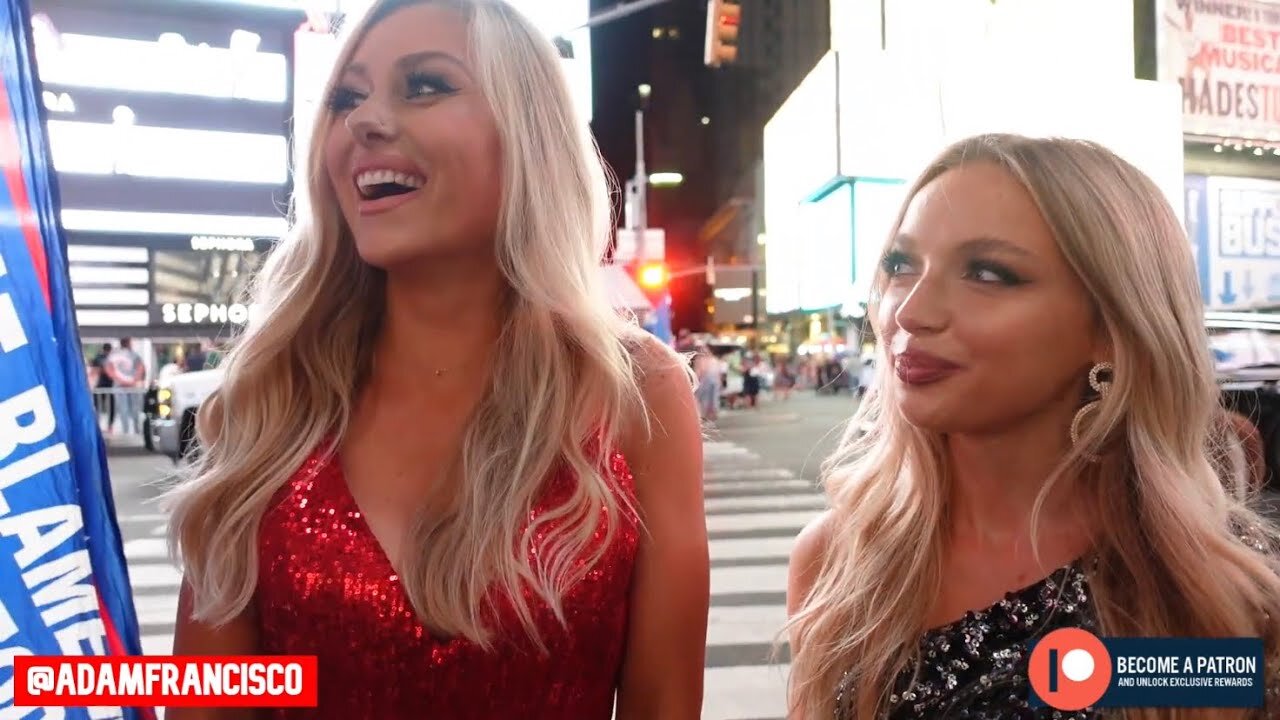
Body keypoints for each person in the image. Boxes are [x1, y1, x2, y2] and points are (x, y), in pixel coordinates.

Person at [163, 1, 708, 717]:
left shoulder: (637, 396)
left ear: (527, 134)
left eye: (424, 85)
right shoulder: (266, 403)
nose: (365, 121)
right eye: (347, 98)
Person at [785, 134, 1280, 719]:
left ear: (1111, 326)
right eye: (900, 264)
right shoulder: (839, 558)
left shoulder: (1203, 591)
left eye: (988, 274)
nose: (911, 311)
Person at [106, 337, 145, 435]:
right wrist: (133, 380)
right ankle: (136, 430)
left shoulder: (114, 355)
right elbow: (140, 368)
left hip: (120, 385)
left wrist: (119, 380)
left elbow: (109, 369)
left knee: (124, 409)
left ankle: (126, 430)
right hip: (130, 385)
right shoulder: (133, 355)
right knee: (134, 409)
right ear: (129, 342)